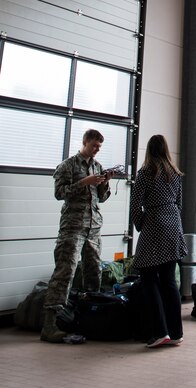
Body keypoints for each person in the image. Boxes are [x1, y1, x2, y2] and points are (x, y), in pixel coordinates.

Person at [41, 128, 113, 343]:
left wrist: (105, 181)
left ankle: (90, 317)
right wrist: (84, 182)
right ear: (85, 142)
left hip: (93, 227)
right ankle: (50, 325)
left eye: (99, 147)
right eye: (94, 146)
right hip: (73, 227)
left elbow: (102, 198)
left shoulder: (97, 166)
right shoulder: (69, 165)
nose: (97, 150)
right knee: (65, 272)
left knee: (94, 272)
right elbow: (59, 193)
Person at [130, 134, 188, 348]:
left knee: (147, 276)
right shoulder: (175, 173)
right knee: (169, 279)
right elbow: (179, 203)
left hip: (154, 222)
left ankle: (159, 331)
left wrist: (141, 224)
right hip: (174, 223)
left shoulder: (145, 173)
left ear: (148, 150)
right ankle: (176, 333)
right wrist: (172, 218)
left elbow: (135, 205)